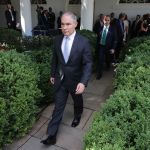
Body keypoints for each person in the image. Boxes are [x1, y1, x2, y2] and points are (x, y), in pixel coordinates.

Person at [41, 11, 93, 146]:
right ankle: (51, 135)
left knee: (77, 101)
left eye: (68, 24)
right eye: (62, 24)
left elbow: (88, 63)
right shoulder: (57, 40)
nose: (64, 27)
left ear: (75, 24)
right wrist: (53, 74)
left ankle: (77, 115)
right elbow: (55, 59)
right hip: (60, 80)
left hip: (76, 81)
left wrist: (83, 82)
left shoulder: (83, 42)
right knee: (58, 107)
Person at [96, 15, 117, 80]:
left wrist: (113, 48)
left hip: (109, 47)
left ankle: (108, 65)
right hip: (101, 46)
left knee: (108, 59)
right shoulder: (100, 28)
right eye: (105, 20)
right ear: (103, 20)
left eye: (108, 20)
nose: (107, 21)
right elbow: (98, 38)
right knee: (100, 60)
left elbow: (115, 39)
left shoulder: (113, 29)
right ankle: (99, 74)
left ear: (110, 21)